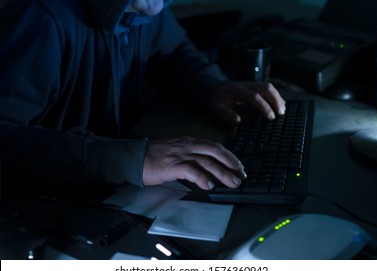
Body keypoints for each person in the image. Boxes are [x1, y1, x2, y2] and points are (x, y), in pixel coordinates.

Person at [0, 0, 286, 195]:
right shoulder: (42, 16)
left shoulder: (147, 6)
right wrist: (130, 161)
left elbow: (173, 50)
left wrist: (213, 87)